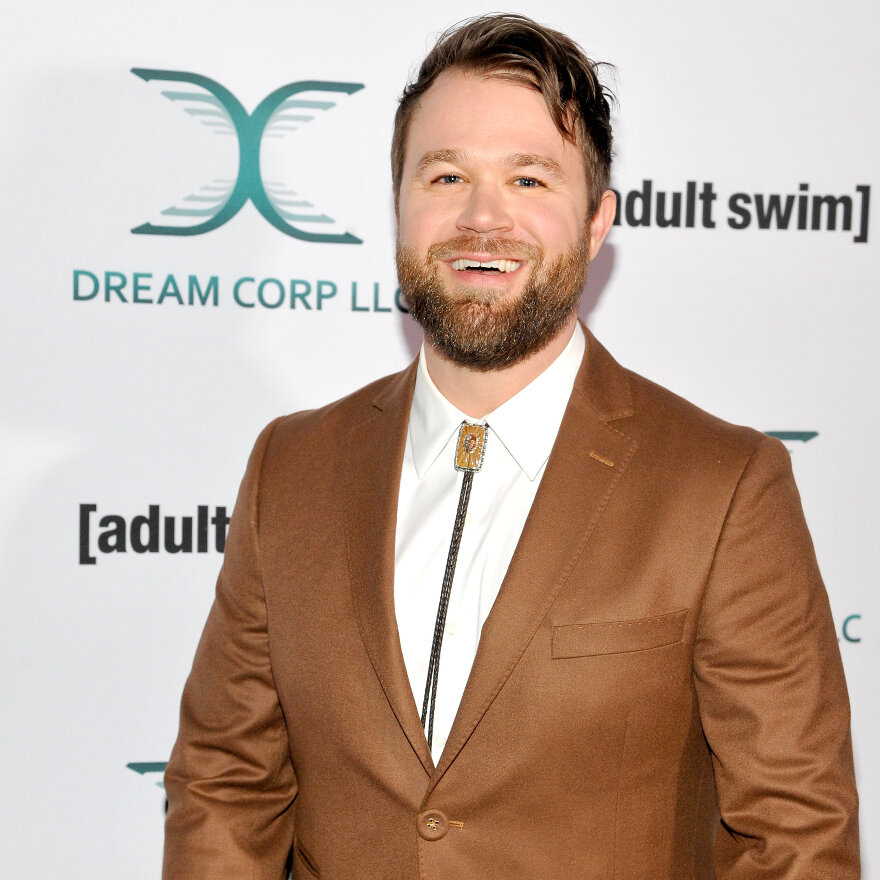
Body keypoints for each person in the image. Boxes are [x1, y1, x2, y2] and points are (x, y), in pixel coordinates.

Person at [162, 13, 859, 879]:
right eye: (447, 175)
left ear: (596, 222)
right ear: (400, 205)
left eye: (529, 179)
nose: (482, 217)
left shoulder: (722, 487)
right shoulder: (291, 468)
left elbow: (794, 836)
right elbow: (226, 785)